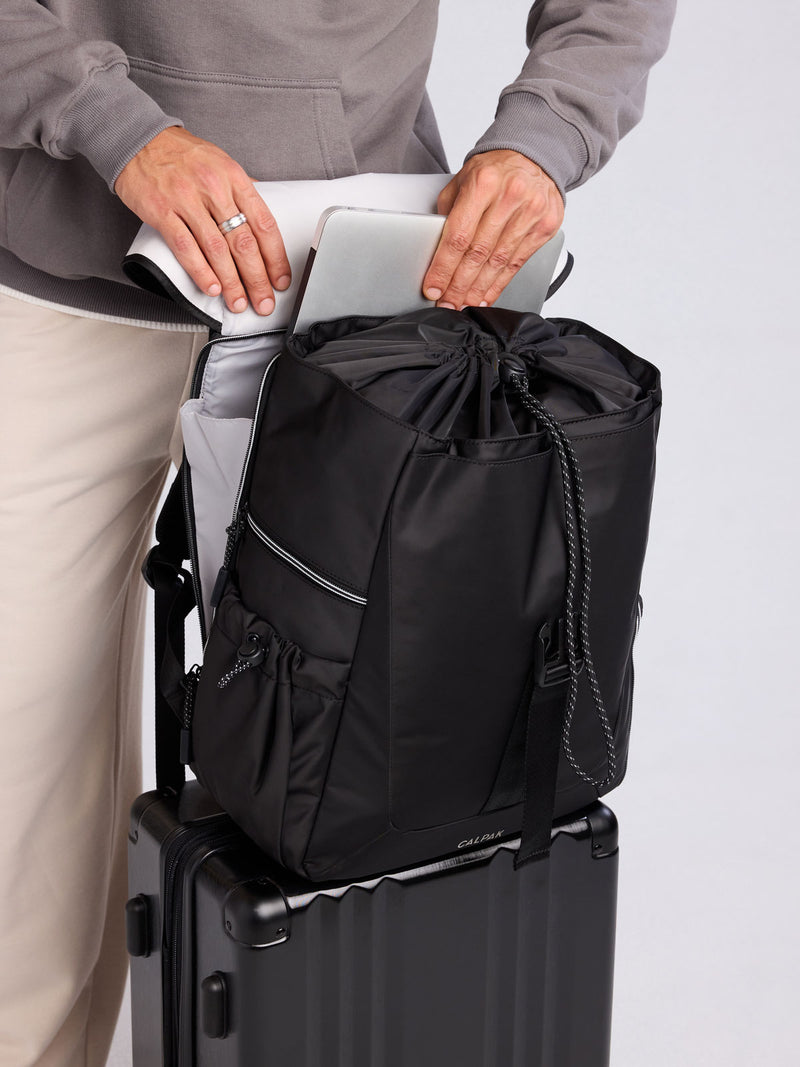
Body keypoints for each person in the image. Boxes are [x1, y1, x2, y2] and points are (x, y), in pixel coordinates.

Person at [0, 1, 675, 1063]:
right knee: (16, 819)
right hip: (63, 282)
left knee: (349, 809)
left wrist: (546, 133)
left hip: (356, 303)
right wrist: (108, 123)